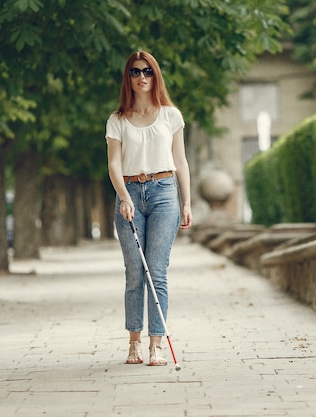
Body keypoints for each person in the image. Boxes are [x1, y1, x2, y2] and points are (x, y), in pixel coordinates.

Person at [105, 51, 192, 366]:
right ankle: (134, 343)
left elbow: (180, 161)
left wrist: (187, 202)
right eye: (134, 71)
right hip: (128, 194)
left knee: (157, 272)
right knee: (134, 274)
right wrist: (123, 196)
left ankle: (156, 344)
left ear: (155, 76)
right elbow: (114, 163)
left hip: (164, 192)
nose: (141, 77)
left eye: (147, 71)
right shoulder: (117, 120)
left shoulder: (171, 115)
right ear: (127, 77)